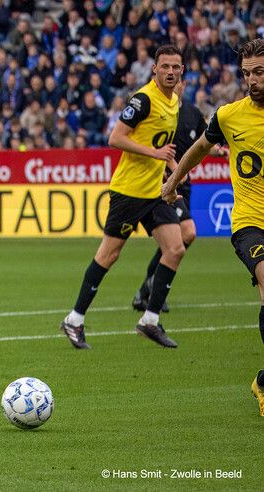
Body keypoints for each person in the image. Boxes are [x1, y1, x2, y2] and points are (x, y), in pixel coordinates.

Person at [161, 38, 264, 416]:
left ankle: (263, 381)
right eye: (247, 73)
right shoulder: (229, 115)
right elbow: (200, 149)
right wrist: (172, 182)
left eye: (260, 72)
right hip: (250, 222)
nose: (252, 80)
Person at [60, 45, 186, 350]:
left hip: (154, 191)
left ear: (182, 70)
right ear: (154, 69)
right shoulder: (143, 100)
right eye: (165, 66)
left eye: (176, 67)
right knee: (108, 255)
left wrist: (173, 169)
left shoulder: (175, 101)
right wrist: (155, 153)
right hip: (128, 192)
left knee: (176, 248)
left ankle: (150, 321)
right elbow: (115, 137)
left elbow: (164, 144)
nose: (171, 72)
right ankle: (74, 320)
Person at [132, 79, 230, 312]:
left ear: (184, 84)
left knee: (177, 240)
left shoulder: (192, 112)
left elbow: (203, 143)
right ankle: (152, 288)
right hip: (164, 182)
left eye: (180, 81)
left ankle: (147, 291)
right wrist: (170, 167)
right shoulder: (159, 110)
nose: (176, 85)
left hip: (184, 183)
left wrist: (221, 152)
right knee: (187, 233)